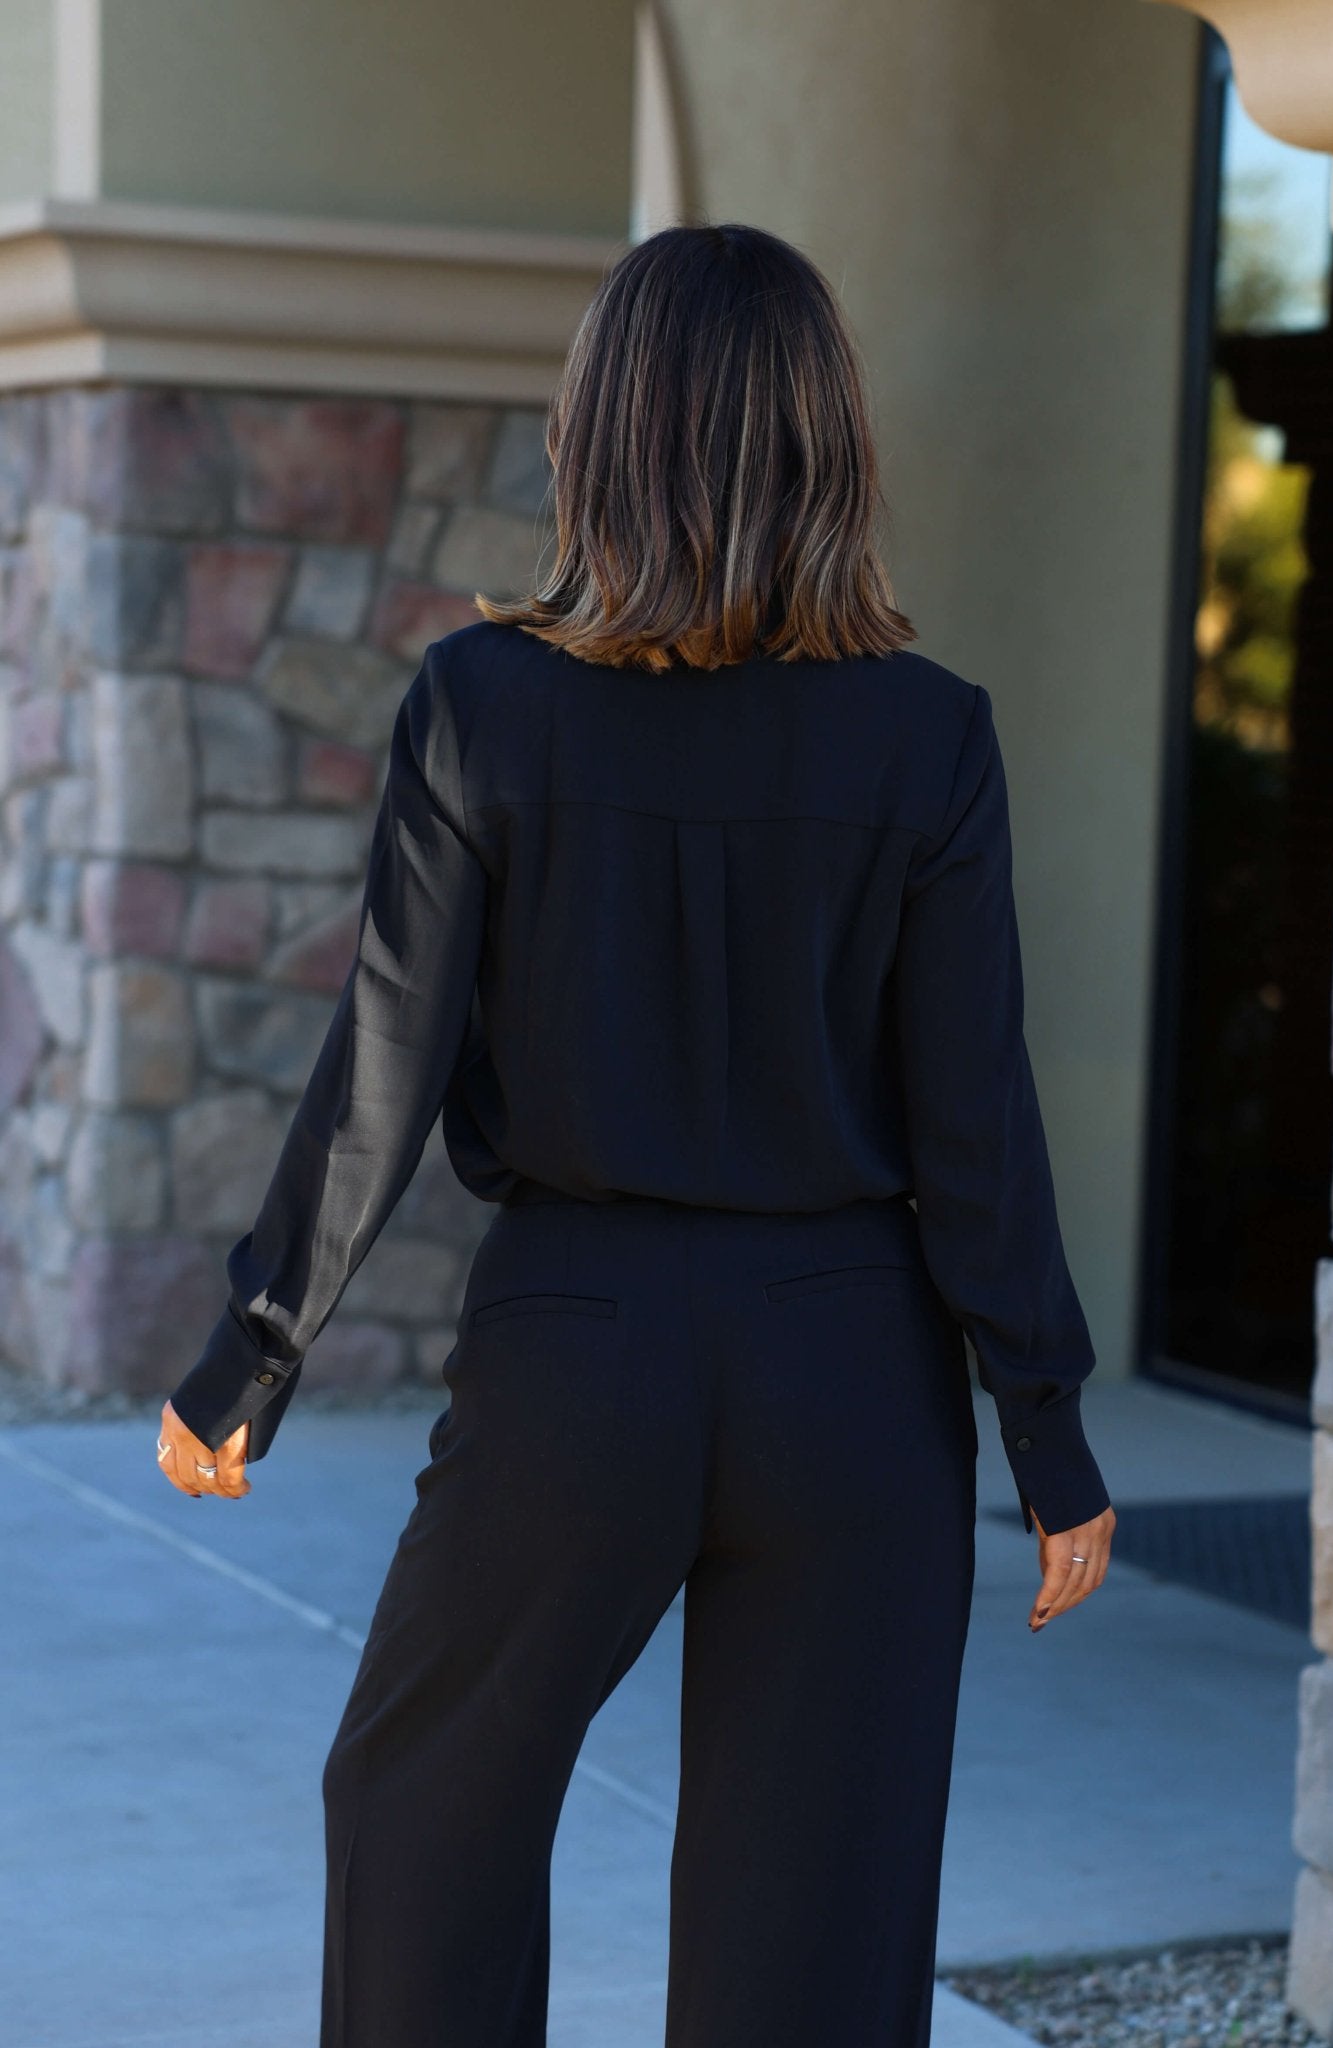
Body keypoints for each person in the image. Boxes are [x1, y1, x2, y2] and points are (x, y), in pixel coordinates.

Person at [158, 219, 1115, 2048]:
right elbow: (973, 1123)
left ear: (597, 430)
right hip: (854, 1369)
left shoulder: (482, 702)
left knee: (420, 1811)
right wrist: (1044, 1424)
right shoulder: (929, 738)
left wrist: (254, 1353)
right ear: (827, 442)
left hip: (574, 1355)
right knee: (812, 1923)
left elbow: (385, 1062)